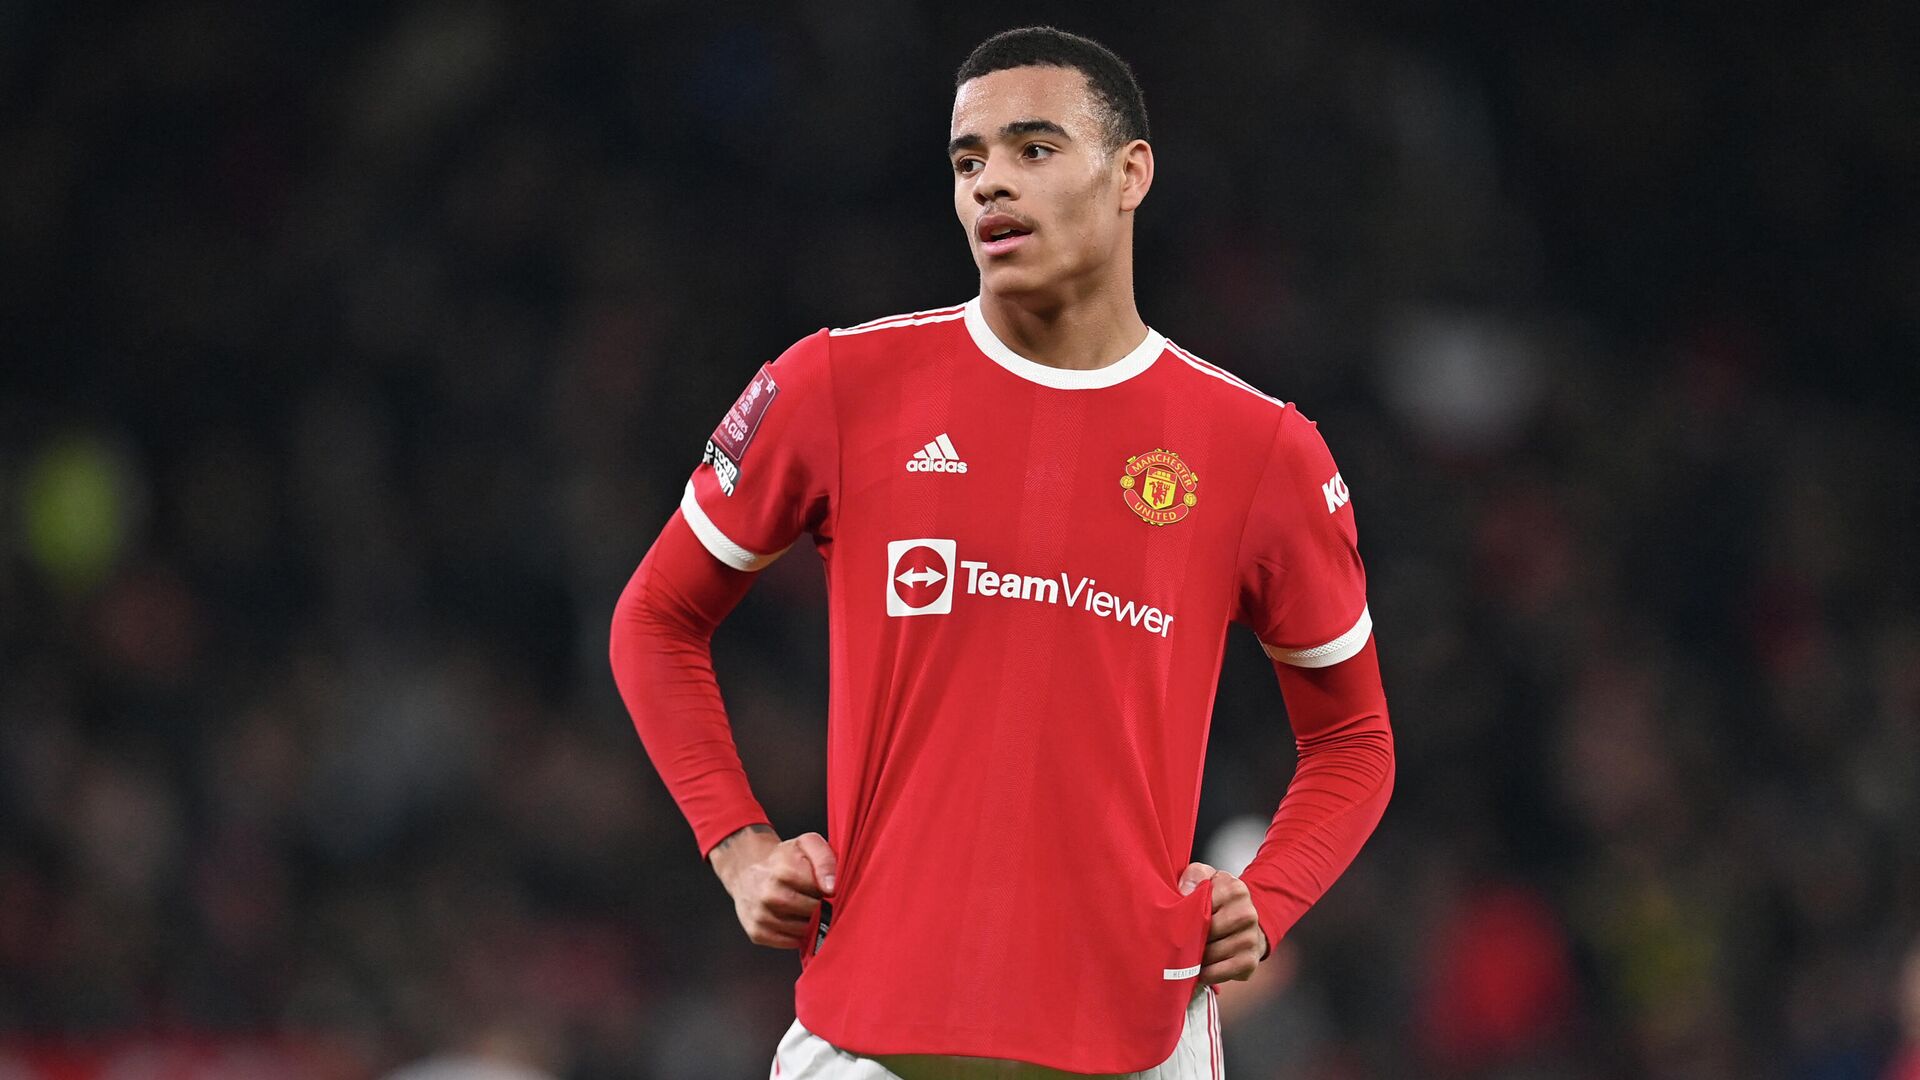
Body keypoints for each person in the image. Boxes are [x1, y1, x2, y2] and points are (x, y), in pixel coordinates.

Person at [610, 26, 1395, 1078]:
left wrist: (1276, 891)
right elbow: (655, 618)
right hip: (870, 1037)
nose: (990, 185)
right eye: (967, 160)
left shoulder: (1260, 451)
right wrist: (738, 844)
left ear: (1131, 175)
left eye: (1033, 150)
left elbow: (1354, 740)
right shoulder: (838, 386)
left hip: (1134, 1041)